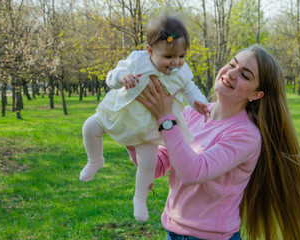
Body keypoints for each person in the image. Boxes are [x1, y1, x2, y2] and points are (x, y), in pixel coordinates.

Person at [128, 45, 300, 239]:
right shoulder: (191, 113)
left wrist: (166, 119)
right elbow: (158, 166)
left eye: (245, 75)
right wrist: (129, 134)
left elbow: (193, 172)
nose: (232, 73)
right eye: (232, 65)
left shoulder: (246, 135)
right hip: (173, 232)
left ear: (256, 94)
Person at [79, 16, 209, 222]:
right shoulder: (137, 60)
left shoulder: (182, 71)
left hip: (150, 125)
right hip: (123, 111)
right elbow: (111, 75)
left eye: (182, 56)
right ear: (150, 51)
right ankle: (95, 160)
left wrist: (199, 102)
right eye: (168, 57)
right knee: (89, 127)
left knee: (147, 163)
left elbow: (191, 90)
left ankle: (140, 198)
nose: (176, 62)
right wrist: (122, 77)